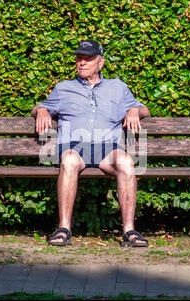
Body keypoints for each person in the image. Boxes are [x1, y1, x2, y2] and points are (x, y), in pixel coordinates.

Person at [31, 40, 151, 247]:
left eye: (88, 59)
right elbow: (39, 108)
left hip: (107, 149)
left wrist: (134, 110)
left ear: (101, 62)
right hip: (75, 149)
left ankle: (130, 231)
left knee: (126, 162)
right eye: (79, 59)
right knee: (68, 160)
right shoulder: (63, 88)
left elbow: (145, 110)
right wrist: (41, 110)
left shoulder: (118, 87)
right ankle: (63, 229)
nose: (82, 63)